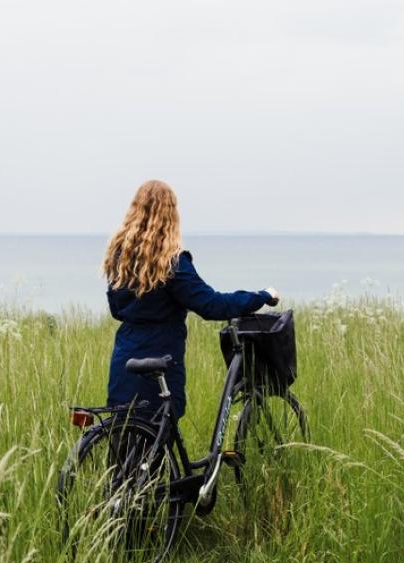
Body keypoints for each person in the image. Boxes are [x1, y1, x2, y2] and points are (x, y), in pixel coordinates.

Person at [103, 180, 278, 427]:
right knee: (160, 426)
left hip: (126, 358)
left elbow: (117, 310)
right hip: (161, 355)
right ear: (170, 216)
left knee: (127, 431)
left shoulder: (120, 259)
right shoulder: (171, 263)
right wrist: (261, 296)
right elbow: (212, 305)